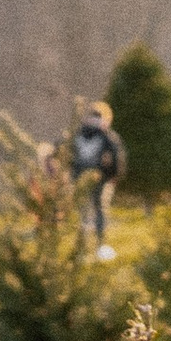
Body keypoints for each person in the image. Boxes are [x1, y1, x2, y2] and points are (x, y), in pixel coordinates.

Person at [65, 100, 124, 253]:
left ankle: (82, 246)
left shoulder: (79, 131)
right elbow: (116, 155)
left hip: (79, 176)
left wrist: (72, 173)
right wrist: (113, 174)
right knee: (99, 209)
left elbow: (67, 152)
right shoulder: (106, 133)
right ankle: (100, 244)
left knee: (83, 210)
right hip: (99, 176)